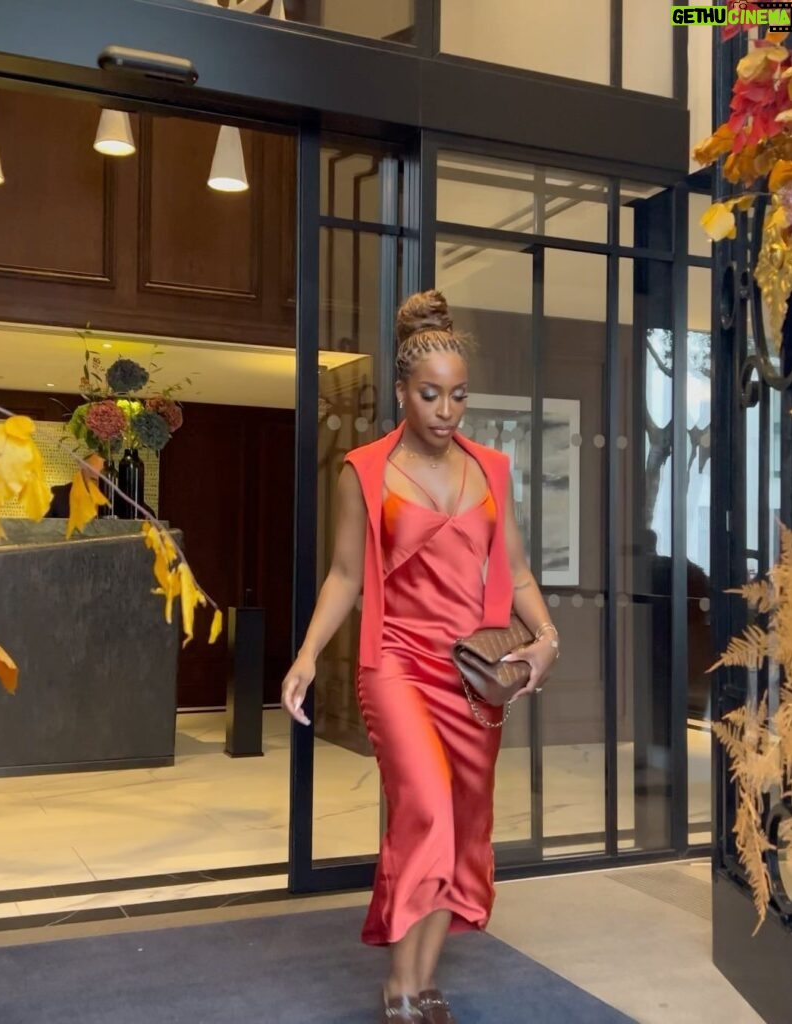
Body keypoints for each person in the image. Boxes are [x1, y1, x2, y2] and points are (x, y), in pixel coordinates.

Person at [281, 290, 559, 1024]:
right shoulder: (363, 471)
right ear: (401, 393)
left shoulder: (492, 470)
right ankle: (397, 985)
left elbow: (518, 573)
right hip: (395, 662)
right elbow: (345, 576)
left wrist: (546, 639)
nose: (446, 410)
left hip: (473, 675)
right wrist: (307, 655)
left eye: (458, 396)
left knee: (465, 823)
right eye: (430, 395)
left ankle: (426, 978)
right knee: (428, 811)